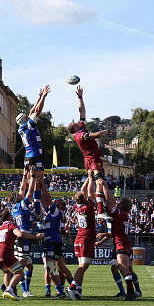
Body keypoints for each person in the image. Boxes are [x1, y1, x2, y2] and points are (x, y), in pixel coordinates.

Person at [67, 86, 114, 221]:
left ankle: (101, 208)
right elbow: (96, 135)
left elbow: (82, 111)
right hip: (92, 159)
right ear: (74, 128)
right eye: (75, 123)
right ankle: (100, 210)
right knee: (100, 181)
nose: (77, 121)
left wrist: (80, 97)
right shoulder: (80, 135)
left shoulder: (80, 128)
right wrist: (107, 132)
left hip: (91, 159)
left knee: (99, 182)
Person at [0, 208, 44, 301]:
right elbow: (20, 234)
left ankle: (10, 291)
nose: (13, 217)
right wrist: (35, 237)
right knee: (19, 272)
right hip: (6, 252)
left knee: (8, 272)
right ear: (9, 217)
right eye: (12, 216)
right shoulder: (11, 225)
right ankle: (10, 290)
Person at [101, 182, 141, 301]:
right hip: (123, 242)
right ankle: (130, 292)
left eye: (119, 203)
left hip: (122, 244)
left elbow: (110, 201)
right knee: (123, 268)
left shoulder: (119, 214)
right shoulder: (123, 215)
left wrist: (105, 187)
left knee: (124, 268)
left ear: (121, 205)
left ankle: (131, 293)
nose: (117, 203)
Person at [16, 84, 50, 214]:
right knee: (38, 183)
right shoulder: (29, 126)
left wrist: (39, 97)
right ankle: (36, 210)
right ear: (26, 119)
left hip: (28, 157)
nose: (29, 116)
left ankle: (34, 209)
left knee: (34, 183)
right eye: (27, 116)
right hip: (35, 156)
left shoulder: (21, 127)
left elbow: (32, 111)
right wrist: (44, 98)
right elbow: (37, 111)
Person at [8, 168, 40, 297]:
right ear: (17, 198)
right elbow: (29, 191)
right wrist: (31, 176)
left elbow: (22, 190)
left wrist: (24, 176)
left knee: (29, 266)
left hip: (22, 236)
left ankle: (24, 289)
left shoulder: (15, 207)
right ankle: (12, 287)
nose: (22, 194)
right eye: (19, 195)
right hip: (24, 237)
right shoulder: (22, 205)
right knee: (20, 266)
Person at [67, 171, 97, 300]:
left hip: (79, 237)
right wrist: (91, 178)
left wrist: (89, 177)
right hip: (86, 238)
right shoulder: (87, 207)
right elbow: (89, 190)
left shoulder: (77, 206)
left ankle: (78, 291)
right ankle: (72, 287)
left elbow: (83, 190)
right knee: (85, 266)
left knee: (81, 266)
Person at [40, 183, 73, 299]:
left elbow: (47, 198)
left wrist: (41, 183)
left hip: (52, 243)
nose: (54, 203)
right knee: (61, 267)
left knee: (50, 268)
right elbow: (43, 200)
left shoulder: (56, 212)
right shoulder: (52, 214)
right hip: (54, 242)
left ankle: (61, 292)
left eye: (57, 203)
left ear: (60, 207)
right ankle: (75, 287)